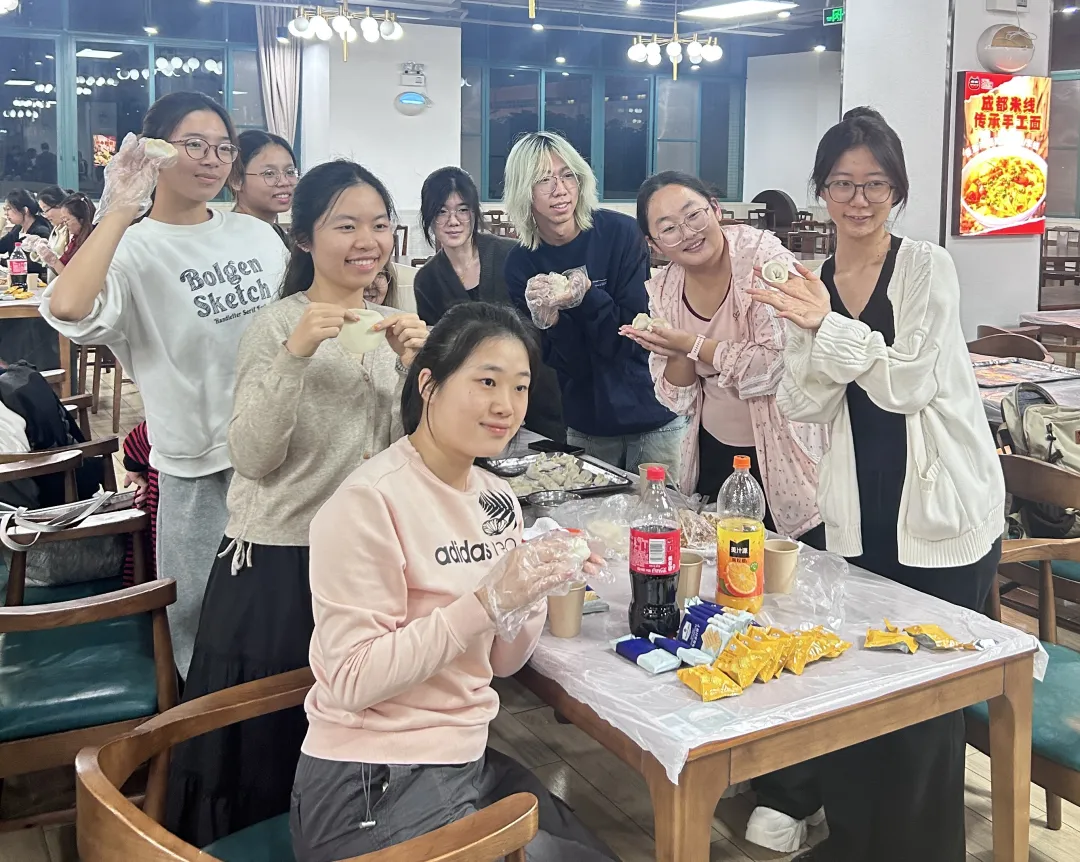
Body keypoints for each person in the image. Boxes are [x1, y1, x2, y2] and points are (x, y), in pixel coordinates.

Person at [748, 107, 1005, 862]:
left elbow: (910, 384)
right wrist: (812, 328)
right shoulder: (814, 283)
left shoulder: (927, 267)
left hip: (942, 508)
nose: (858, 200)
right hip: (859, 506)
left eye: (875, 184)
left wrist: (825, 328)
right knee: (856, 685)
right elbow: (804, 401)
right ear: (821, 191)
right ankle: (855, 842)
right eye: (842, 184)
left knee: (927, 700)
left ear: (897, 191)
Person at [290, 301, 618, 862]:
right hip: (370, 776)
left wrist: (537, 585)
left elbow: (501, 663)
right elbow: (350, 680)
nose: (506, 405)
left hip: (464, 757)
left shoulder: (496, 497)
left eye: (520, 387)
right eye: (486, 381)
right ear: (429, 385)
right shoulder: (369, 502)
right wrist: (488, 601)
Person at [165, 160, 429, 847]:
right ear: (305, 238)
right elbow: (252, 457)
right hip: (282, 567)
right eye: (346, 225)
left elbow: (421, 460)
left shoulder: (393, 328)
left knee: (351, 742)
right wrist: (295, 354)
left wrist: (424, 375)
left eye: (379, 224)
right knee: (268, 753)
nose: (367, 240)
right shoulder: (276, 325)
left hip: (369, 566)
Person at [39, 91, 290, 679]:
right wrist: (121, 207)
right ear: (155, 152)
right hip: (199, 465)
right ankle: (204, 730)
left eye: (223, 147)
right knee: (202, 626)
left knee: (284, 618)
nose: (212, 159)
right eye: (193, 145)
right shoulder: (132, 248)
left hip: (280, 454)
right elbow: (69, 309)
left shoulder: (254, 236)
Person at [626, 170, 826, 542]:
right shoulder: (666, 288)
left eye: (693, 215)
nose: (688, 233)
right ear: (654, 244)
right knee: (719, 559)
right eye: (668, 228)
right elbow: (679, 398)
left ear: (715, 209)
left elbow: (775, 364)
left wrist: (691, 344)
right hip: (713, 449)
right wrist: (675, 351)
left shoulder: (761, 260)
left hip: (785, 453)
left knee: (786, 562)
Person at [504, 132, 683, 471]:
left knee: (664, 505)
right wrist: (552, 323)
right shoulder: (521, 265)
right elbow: (569, 365)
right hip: (588, 424)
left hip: (654, 414)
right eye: (543, 180)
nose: (560, 189)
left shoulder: (622, 234)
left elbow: (632, 339)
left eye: (567, 175)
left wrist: (587, 296)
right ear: (523, 190)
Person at [416, 165, 563, 442]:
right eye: (441, 212)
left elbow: (543, 325)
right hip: (476, 406)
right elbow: (440, 353)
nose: (453, 221)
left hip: (537, 390)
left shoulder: (511, 254)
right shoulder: (427, 280)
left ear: (474, 213)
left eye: (462, 210)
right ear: (429, 218)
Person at [230, 129, 299, 246]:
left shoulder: (277, 234)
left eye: (290, 172)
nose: (284, 182)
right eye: (269, 173)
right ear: (236, 180)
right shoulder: (229, 239)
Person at [24, 193, 96, 275]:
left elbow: (70, 275)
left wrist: (53, 259)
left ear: (81, 219)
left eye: (67, 220)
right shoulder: (75, 239)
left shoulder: (91, 241)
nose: (65, 224)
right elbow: (62, 267)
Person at [0, 190, 52, 277]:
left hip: (37, 280)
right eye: (5, 209)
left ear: (25, 210)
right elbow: (2, 247)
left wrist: (3, 261)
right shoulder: (18, 228)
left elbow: (31, 265)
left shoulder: (41, 231)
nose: (6, 213)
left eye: (8, 209)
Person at [36, 186, 72, 273]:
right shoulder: (56, 229)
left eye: (46, 210)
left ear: (60, 205)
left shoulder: (72, 230)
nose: (46, 216)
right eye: (43, 212)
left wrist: (52, 258)